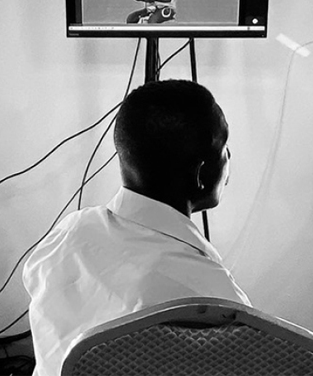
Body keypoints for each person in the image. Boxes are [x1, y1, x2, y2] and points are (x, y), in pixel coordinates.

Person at [23, 80, 246, 376]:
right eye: (223, 147)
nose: (229, 156)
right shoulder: (211, 296)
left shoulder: (66, 236)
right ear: (201, 173)